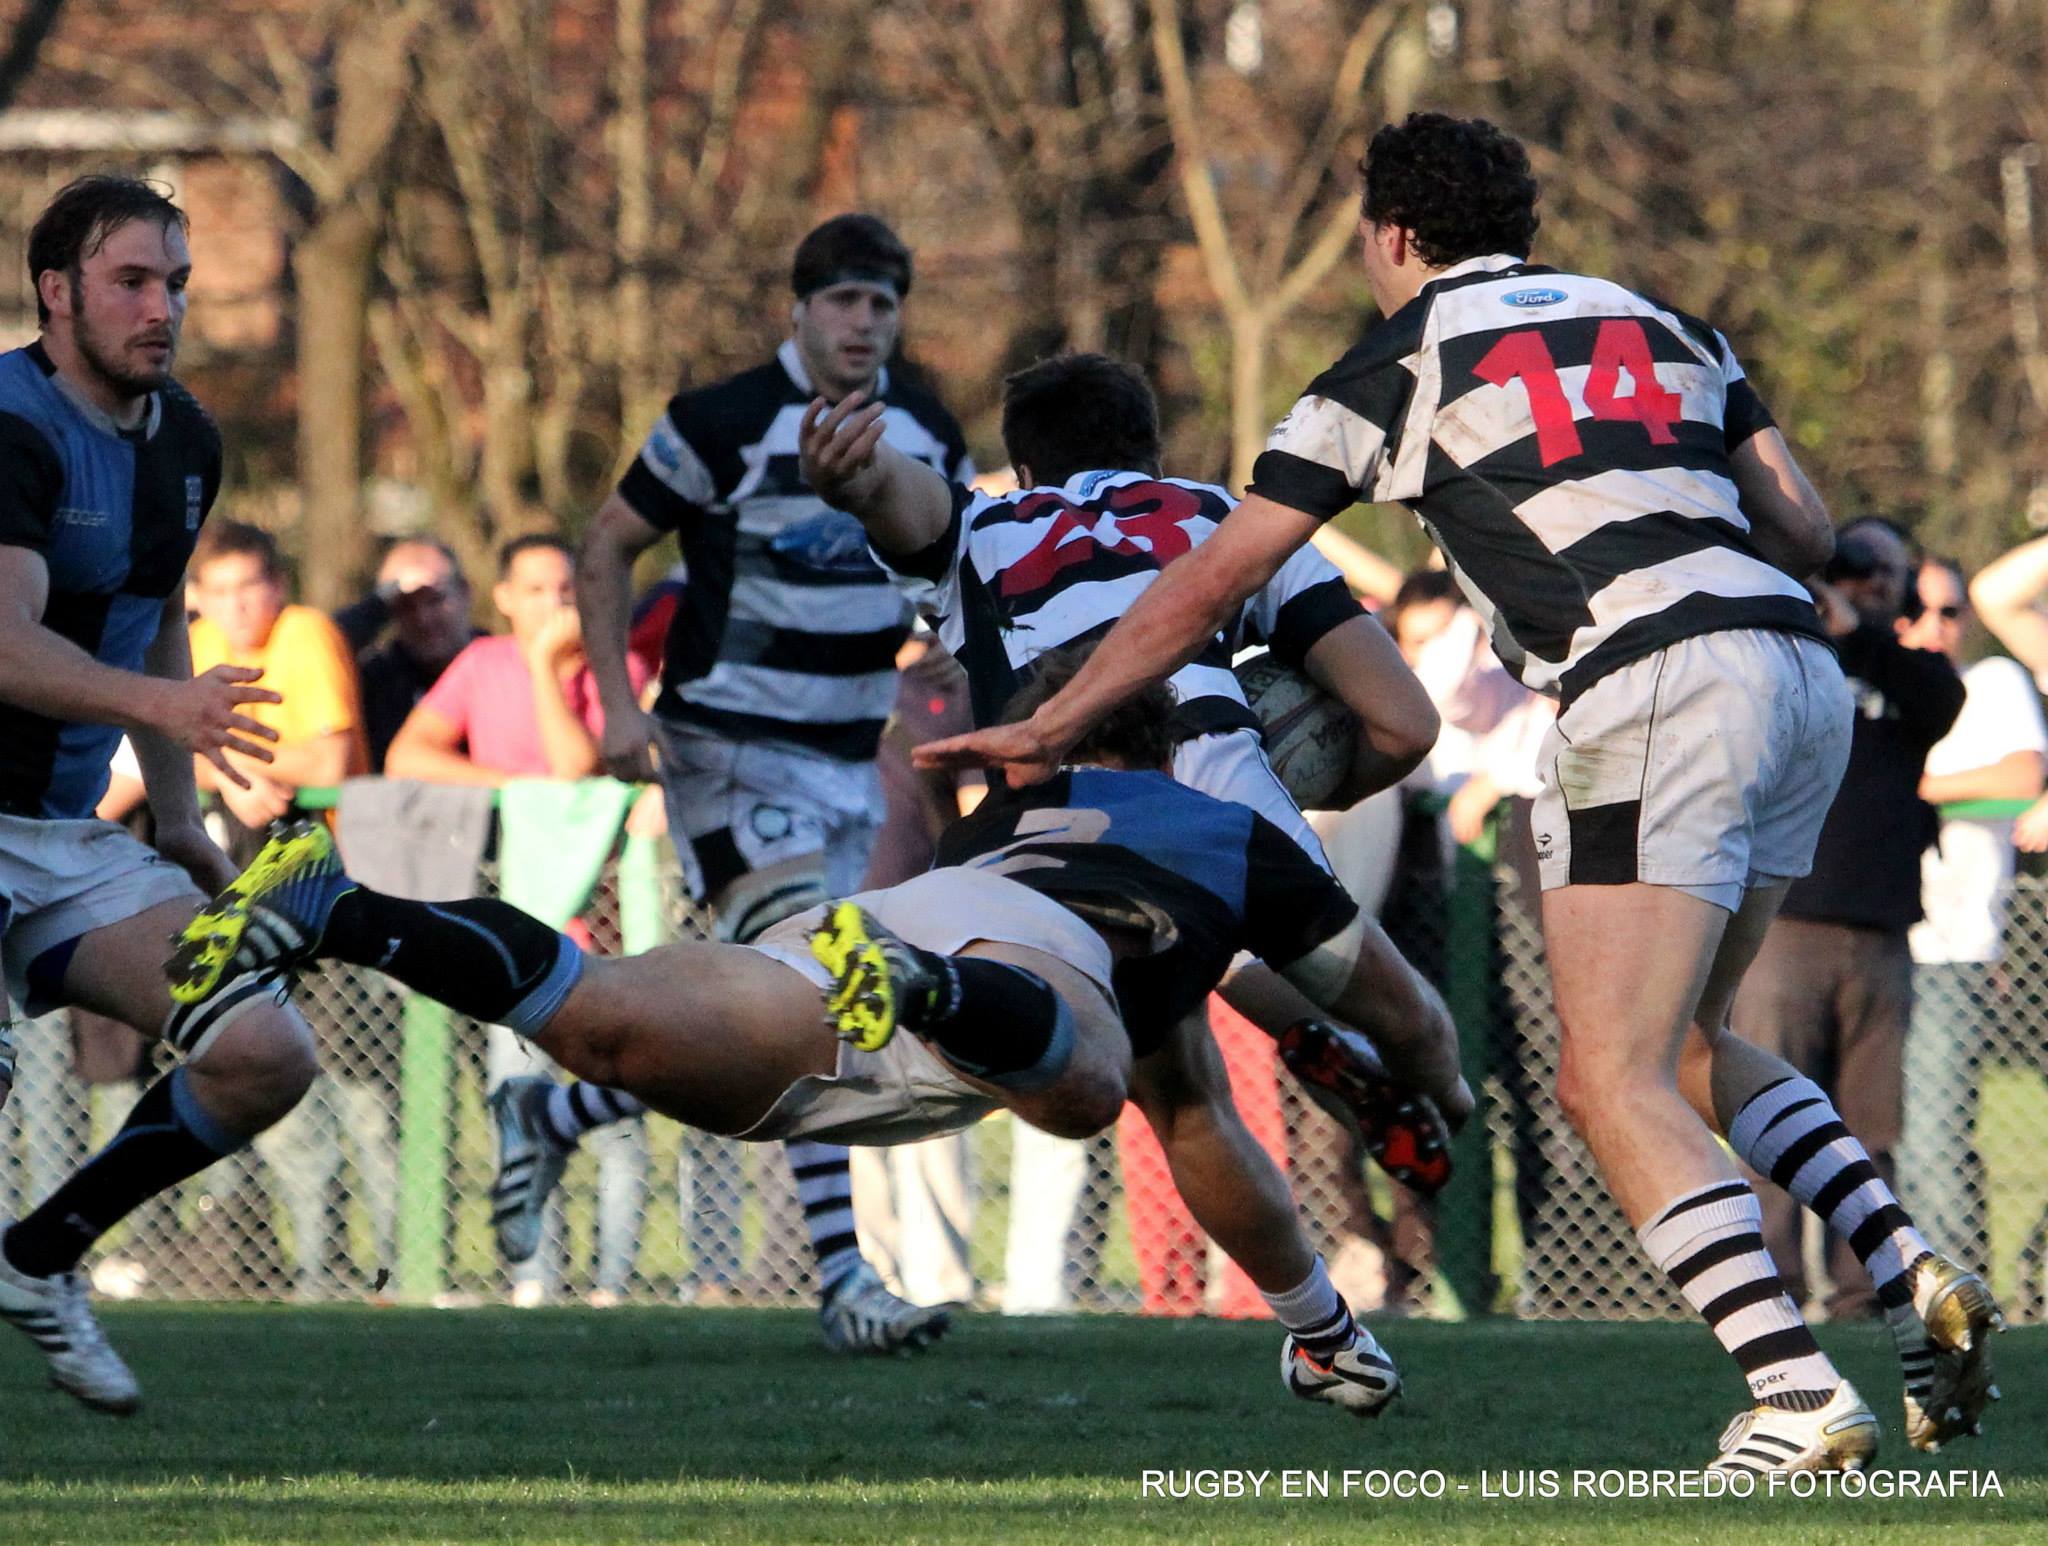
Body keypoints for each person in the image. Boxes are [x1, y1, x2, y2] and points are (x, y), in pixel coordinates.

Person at [914, 113, 2002, 1470]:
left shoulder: (1393, 360)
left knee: (1607, 1076)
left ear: (1394, 237)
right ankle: (1911, 1276)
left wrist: (1065, 712)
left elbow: (1203, 581)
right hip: (1796, 672)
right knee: (1690, 1045)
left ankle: (1792, 1388)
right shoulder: (1663, 319)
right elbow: (1805, 527)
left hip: (1649, 680)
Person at [168, 645, 1468, 1413]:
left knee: (602, 1020)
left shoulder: (1011, 814)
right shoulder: (1235, 833)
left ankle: (340, 905)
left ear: (1051, 745)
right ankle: (925, 982)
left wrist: (1319, 1329)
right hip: (1010, 962)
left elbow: (1203, 1076)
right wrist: (1436, 1087)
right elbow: (1393, 1009)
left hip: (892, 917)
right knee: (1084, 1086)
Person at [797, 351, 1470, 1177]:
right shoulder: (1226, 517)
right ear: (1154, 458)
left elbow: (900, 499)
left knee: (1183, 1097)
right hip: (1222, 778)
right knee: (1372, 996)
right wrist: (1301, 779)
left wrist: (851, 477)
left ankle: (958, 1001)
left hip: (1057, 811)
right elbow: (1404, 723)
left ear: (1029, 468)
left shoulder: (987, 528)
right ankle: (1436, 1090)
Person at [507, 214, 973, 1351]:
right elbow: (607, 541)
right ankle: (846, 1285)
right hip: (722, 751)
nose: (863, 323)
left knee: (771, 1021)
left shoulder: (927, 428)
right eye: (843, 302)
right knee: (813, 993)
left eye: (881, 303)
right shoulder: (718, 420)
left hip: (847, 758)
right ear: (799, 311)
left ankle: (558, 1107)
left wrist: (955, 636)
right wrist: (616, 705)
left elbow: (945, 558)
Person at [0, 175, 317, 1411]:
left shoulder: (185, 439)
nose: (162, 308)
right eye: (133, 280)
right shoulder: (11, 425)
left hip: (65, 836)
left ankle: (38, 1259)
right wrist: (164, 714)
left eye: (175, 284)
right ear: (57, 290)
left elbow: (157, 620)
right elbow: (10, 648)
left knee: (262, 1051)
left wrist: (179, 817)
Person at [387, 531, 651, 1305]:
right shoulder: (479, 666)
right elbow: (412, 756)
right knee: (519, 1113)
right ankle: (536, 1282)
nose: (553, 606)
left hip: (607, 940)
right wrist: (515, 790)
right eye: (535, 591)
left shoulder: (617, 668)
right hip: (516, 939)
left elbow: (576, 765)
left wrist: (546, 667)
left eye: (567, 591)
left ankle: (615, 1288)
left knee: (617, 1121)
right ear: (503, 598)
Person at [1728, 519, 1965, 1320]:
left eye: (1891, 571)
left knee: (1871, 1130)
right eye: (1859, 565)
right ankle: (1772, 1293)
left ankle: (1867, 1295)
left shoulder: (1914, 676)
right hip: (1783, 926)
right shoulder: (1786, 653)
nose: (1874, 581)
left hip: (1881, 934)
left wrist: (1861, 626)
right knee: (1770, 1124)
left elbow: (1942, 699)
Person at [1895, 555, 2046, 1275]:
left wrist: (1911, 785)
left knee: (1935, 1141)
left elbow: (2021, 778)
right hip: (1875, 939)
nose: (1933, 627)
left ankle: (1960, 1297)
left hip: (1954, 949)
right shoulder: (1886, 690)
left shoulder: (1993, 684)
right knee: (1873, 1141)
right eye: (1917, 611)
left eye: (1950, 613)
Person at [336, 538, 478, 773]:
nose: (423, 618)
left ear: (464, 592)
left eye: (435, 600)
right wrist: (379, 602)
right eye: (405, 606)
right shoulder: (377, 679)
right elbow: (321, 652)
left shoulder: (497, 664)